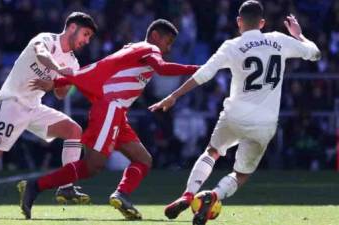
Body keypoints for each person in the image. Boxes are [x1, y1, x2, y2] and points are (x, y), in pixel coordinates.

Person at [149, 1, 321, 225]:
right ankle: (215, 195)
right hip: (265, 123)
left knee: (212, 152)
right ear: (262, 23)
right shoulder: (279, 40)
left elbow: (204, 74)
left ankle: (188, 194)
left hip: (234, 116)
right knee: (241, 173)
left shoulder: (232, 45)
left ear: (239, 22)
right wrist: (299, 35)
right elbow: (315, 54)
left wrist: (174, 96)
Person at [18, 19, 199, 220]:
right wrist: (198, 69)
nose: (168, 47)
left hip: (118, 113)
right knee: (92, 166)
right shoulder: (149, 48)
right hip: (110, 108)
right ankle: (35, 186)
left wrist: (57, 82)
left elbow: (98, 68)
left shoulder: (135, 49)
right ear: (156, 36)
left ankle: (121, 194)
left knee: (143, 160)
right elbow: (162, 69)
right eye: (168, 41)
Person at [0, 12, 97, 217]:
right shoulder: (46, 39)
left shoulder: (74, 63)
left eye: (90, 38)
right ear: (73, 28)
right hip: (11, 103)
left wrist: (65, 81)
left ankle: (66, 186)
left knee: (73, 130)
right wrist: (60, 70)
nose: (86, 41)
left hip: (34, 107)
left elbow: (60, 94)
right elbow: (41, 54)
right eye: (85, 34)